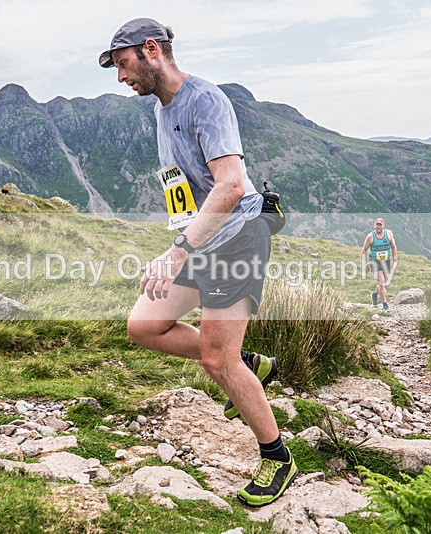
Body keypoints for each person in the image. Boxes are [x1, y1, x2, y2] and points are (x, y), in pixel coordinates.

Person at [99, 18, 295, 507]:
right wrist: (185, 241)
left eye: (123, 65)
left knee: (214, 358)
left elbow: (230, 185)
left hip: (238, 239)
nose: (121, 78)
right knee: (144, 325)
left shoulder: (205, 100)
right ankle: (250, 365)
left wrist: (177, 251)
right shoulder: (164, 110)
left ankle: (277, 457)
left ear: (151, 51)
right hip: (201, 239)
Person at [360, 218, 397, 312]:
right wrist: (364, 264)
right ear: (374, 226)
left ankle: (375, 294)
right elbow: (364, 249)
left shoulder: (388, 234)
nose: (378, 226)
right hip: (375, 261)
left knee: (384, 282)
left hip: (385, 260)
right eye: (377, 224)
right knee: (382, 282)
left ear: (383, 226)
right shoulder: (370, 236)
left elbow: (393, 247)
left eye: (380, 224)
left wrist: (395, 258)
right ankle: (385, 305)